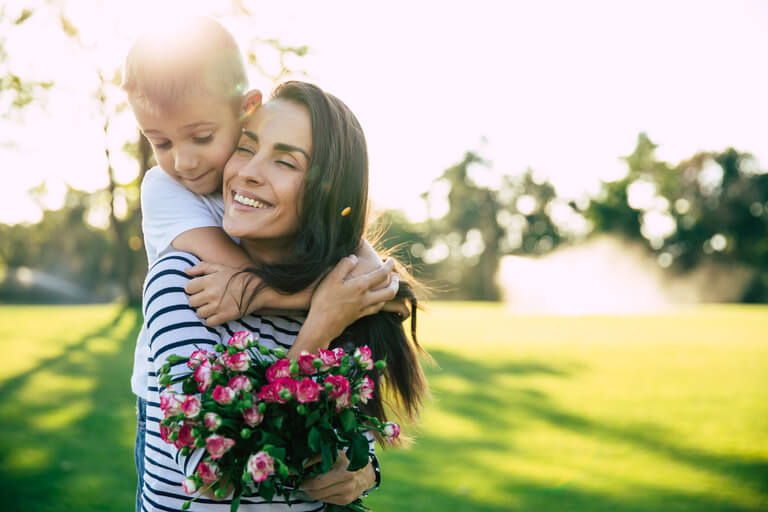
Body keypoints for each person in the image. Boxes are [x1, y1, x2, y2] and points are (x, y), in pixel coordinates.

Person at [122, 17, 403, 510]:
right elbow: (215, 475)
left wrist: (361, 467)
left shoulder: (341, 290)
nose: (184, 162)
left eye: (285, 161)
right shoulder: (190, 274)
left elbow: (383, 290)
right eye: (249, 150)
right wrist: (316, 317)